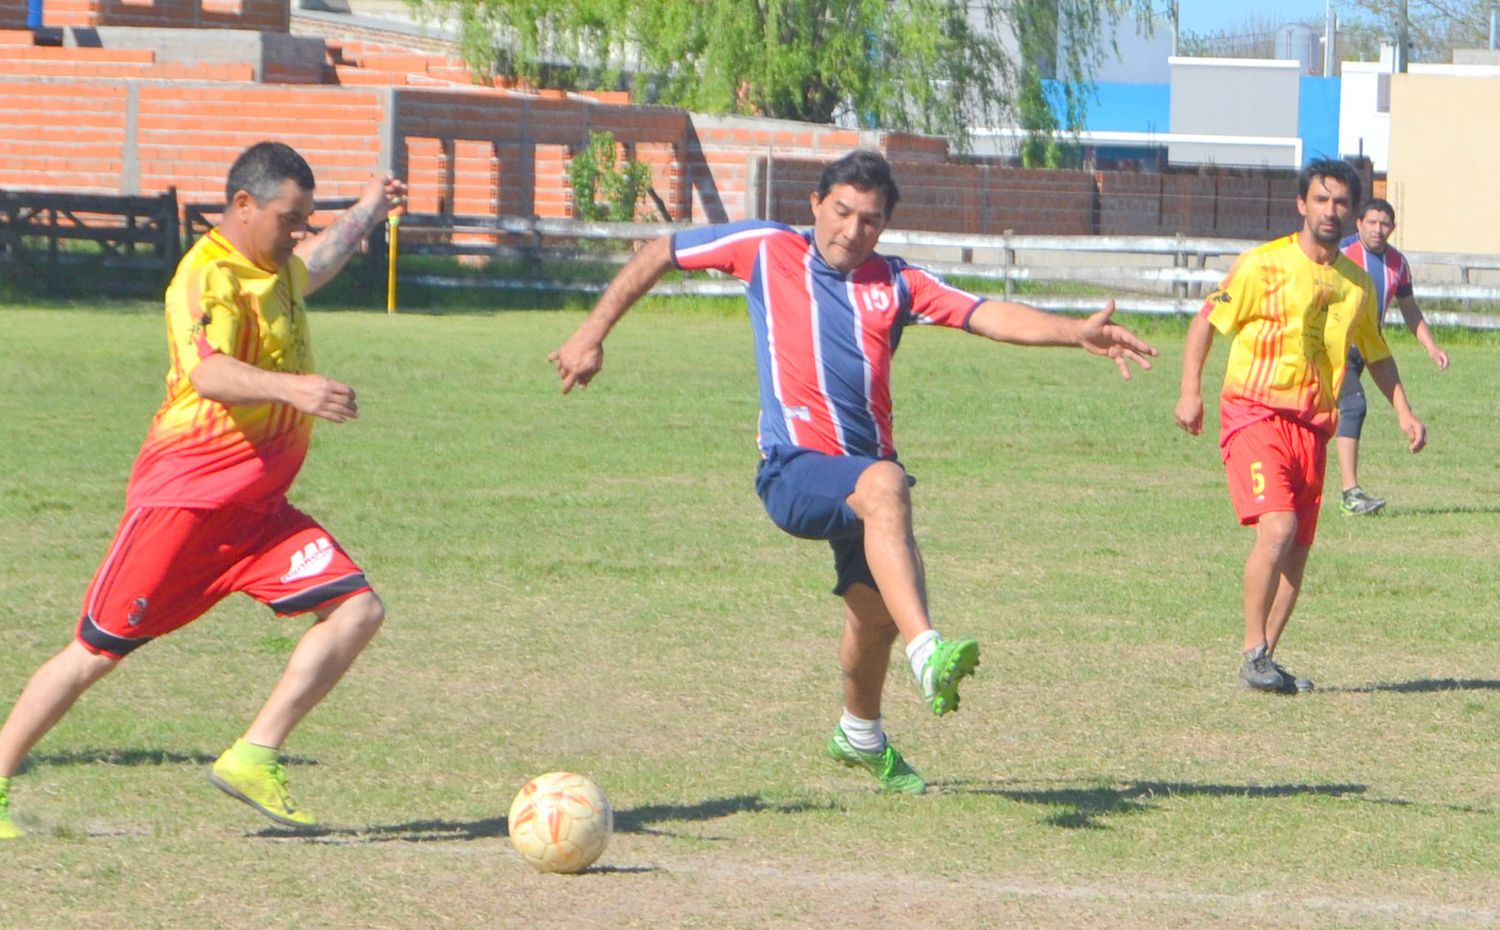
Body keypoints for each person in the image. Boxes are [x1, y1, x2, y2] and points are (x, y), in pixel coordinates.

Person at [549, 150, 1156, 793]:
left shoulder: (897, 283)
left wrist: (1073, 332)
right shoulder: (764, 247)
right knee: (886, 487)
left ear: (883, 227)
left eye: (869, 220)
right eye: (841, 212)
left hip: (864, 480)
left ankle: (860, 734)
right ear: (815, 204)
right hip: (794, 471)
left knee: (876, 613)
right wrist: (592, 332)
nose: (851, 230)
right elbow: (661, 251)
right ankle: (929, 654)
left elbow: (986, 314)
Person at [0, 141, 407, 839]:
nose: (299, 232)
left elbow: (321, 262)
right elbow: (209, 373)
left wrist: (368, 209)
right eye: (290, 217)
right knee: (94, 653)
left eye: (306, 218)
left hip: (258, 517)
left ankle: (254, 753)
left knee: (357, 609)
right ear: (243, 206)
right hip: (182, 507)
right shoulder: (207, 274)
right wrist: (295, 389)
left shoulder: (276, 266)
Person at [1174, 158, 1427, 695]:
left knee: (1299, 549)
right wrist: (1190, 390)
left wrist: (1403, 410)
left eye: (1341, 202)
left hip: (1313, 426)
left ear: (1354, 214)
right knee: (1279, 528)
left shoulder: (1355, 283)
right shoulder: (1261, 266)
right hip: (1255, 412)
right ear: (1301, 204)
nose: (1330, 210)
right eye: (1321, 199)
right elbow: (1206, 321)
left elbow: (1376, 353)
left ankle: (1263, 661)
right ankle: (1252, 648)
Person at [1334, 197, 1450, 515]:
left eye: (1384, 224)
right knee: (1352, 406)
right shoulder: (1339, 254)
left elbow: (1410, 310)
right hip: (1332, 350)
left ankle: (1342, 493)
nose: (1378, 229)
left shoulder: (1397, 264)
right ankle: (1349, 494)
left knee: (1344, 410)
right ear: (1358, 224)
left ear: (1393, 228)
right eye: (1371, 222)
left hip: (1368, 348)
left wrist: (1431, 347)